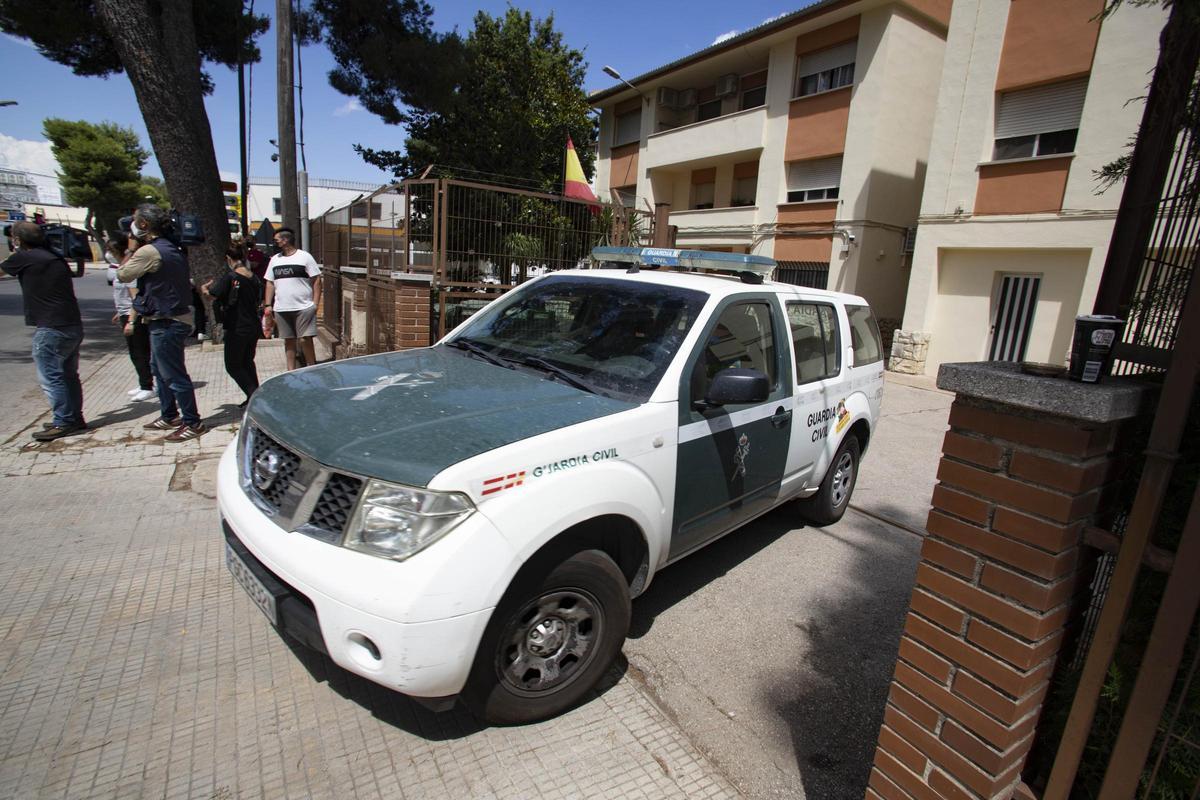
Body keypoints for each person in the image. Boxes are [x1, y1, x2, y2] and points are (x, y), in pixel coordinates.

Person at [116, 204, 207, 442]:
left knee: (174, 374)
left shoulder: (149, 251)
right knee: (160, 371)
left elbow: (123, 275)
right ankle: (169, 415)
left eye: (136, 221)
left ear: (144, 225)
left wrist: (130, 250)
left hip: (168, 321)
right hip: (168, 318)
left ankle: (192, 422)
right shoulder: (171, 248)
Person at [1, 221, 86, 440]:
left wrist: (14, 251)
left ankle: (63, 421)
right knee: (69, 375)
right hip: (72, 325)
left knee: (51, 377)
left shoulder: (23, 258)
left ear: (18, 240)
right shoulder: (54, 256)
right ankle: (74, 417)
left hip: (51, 328)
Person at [202, 242, 262, 406]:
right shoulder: (253, 277)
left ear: (228, 258)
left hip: (237, 327)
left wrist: (205, 289)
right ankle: (253, 396)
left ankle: (255, 398)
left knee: (233, 365)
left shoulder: (231, 277)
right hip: (253, 325)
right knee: (247, 362)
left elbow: (213, 295)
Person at [263, 227, 321, 370]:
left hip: (304, 307)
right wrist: (268, 305)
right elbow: (270, 283)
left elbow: (317, 280)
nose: (275, 243)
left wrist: (315, 303)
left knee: (305, 339)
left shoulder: (304, 257)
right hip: (282, 308)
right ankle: (290, 371)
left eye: (276, 240)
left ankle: (312, 368)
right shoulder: (274, 260)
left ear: (285, 240)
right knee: (288, 341)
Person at [107, 239, 155, 402]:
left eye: (112, 252)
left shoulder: (130, 272)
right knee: (135, 352)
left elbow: (136, 298)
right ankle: (143, 383)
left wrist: (131, 321)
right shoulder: (122, 269)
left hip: (133, 315)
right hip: (125, 313)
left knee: (139, 352)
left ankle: (147, 385)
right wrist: (119, 312)